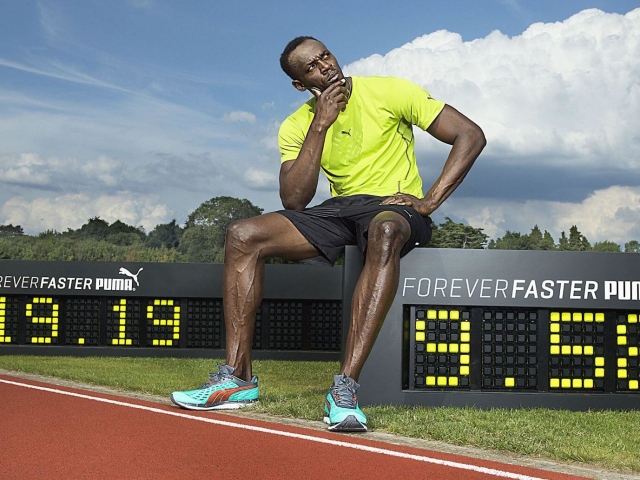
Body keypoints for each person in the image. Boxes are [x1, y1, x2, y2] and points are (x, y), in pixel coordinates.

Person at [171, 36, 486, 432]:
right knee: (241, 234)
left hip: (394, 208)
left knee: (385, 228)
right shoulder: (296, 124)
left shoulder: (389, 90)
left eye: (325, 56)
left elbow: (470, 134)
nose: (325, 66)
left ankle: (345, 389)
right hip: (339, 210)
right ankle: (236, 379)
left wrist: (429, 201)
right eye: (311, 67)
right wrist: (320, 124)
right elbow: (295, 199)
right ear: (300, 84)